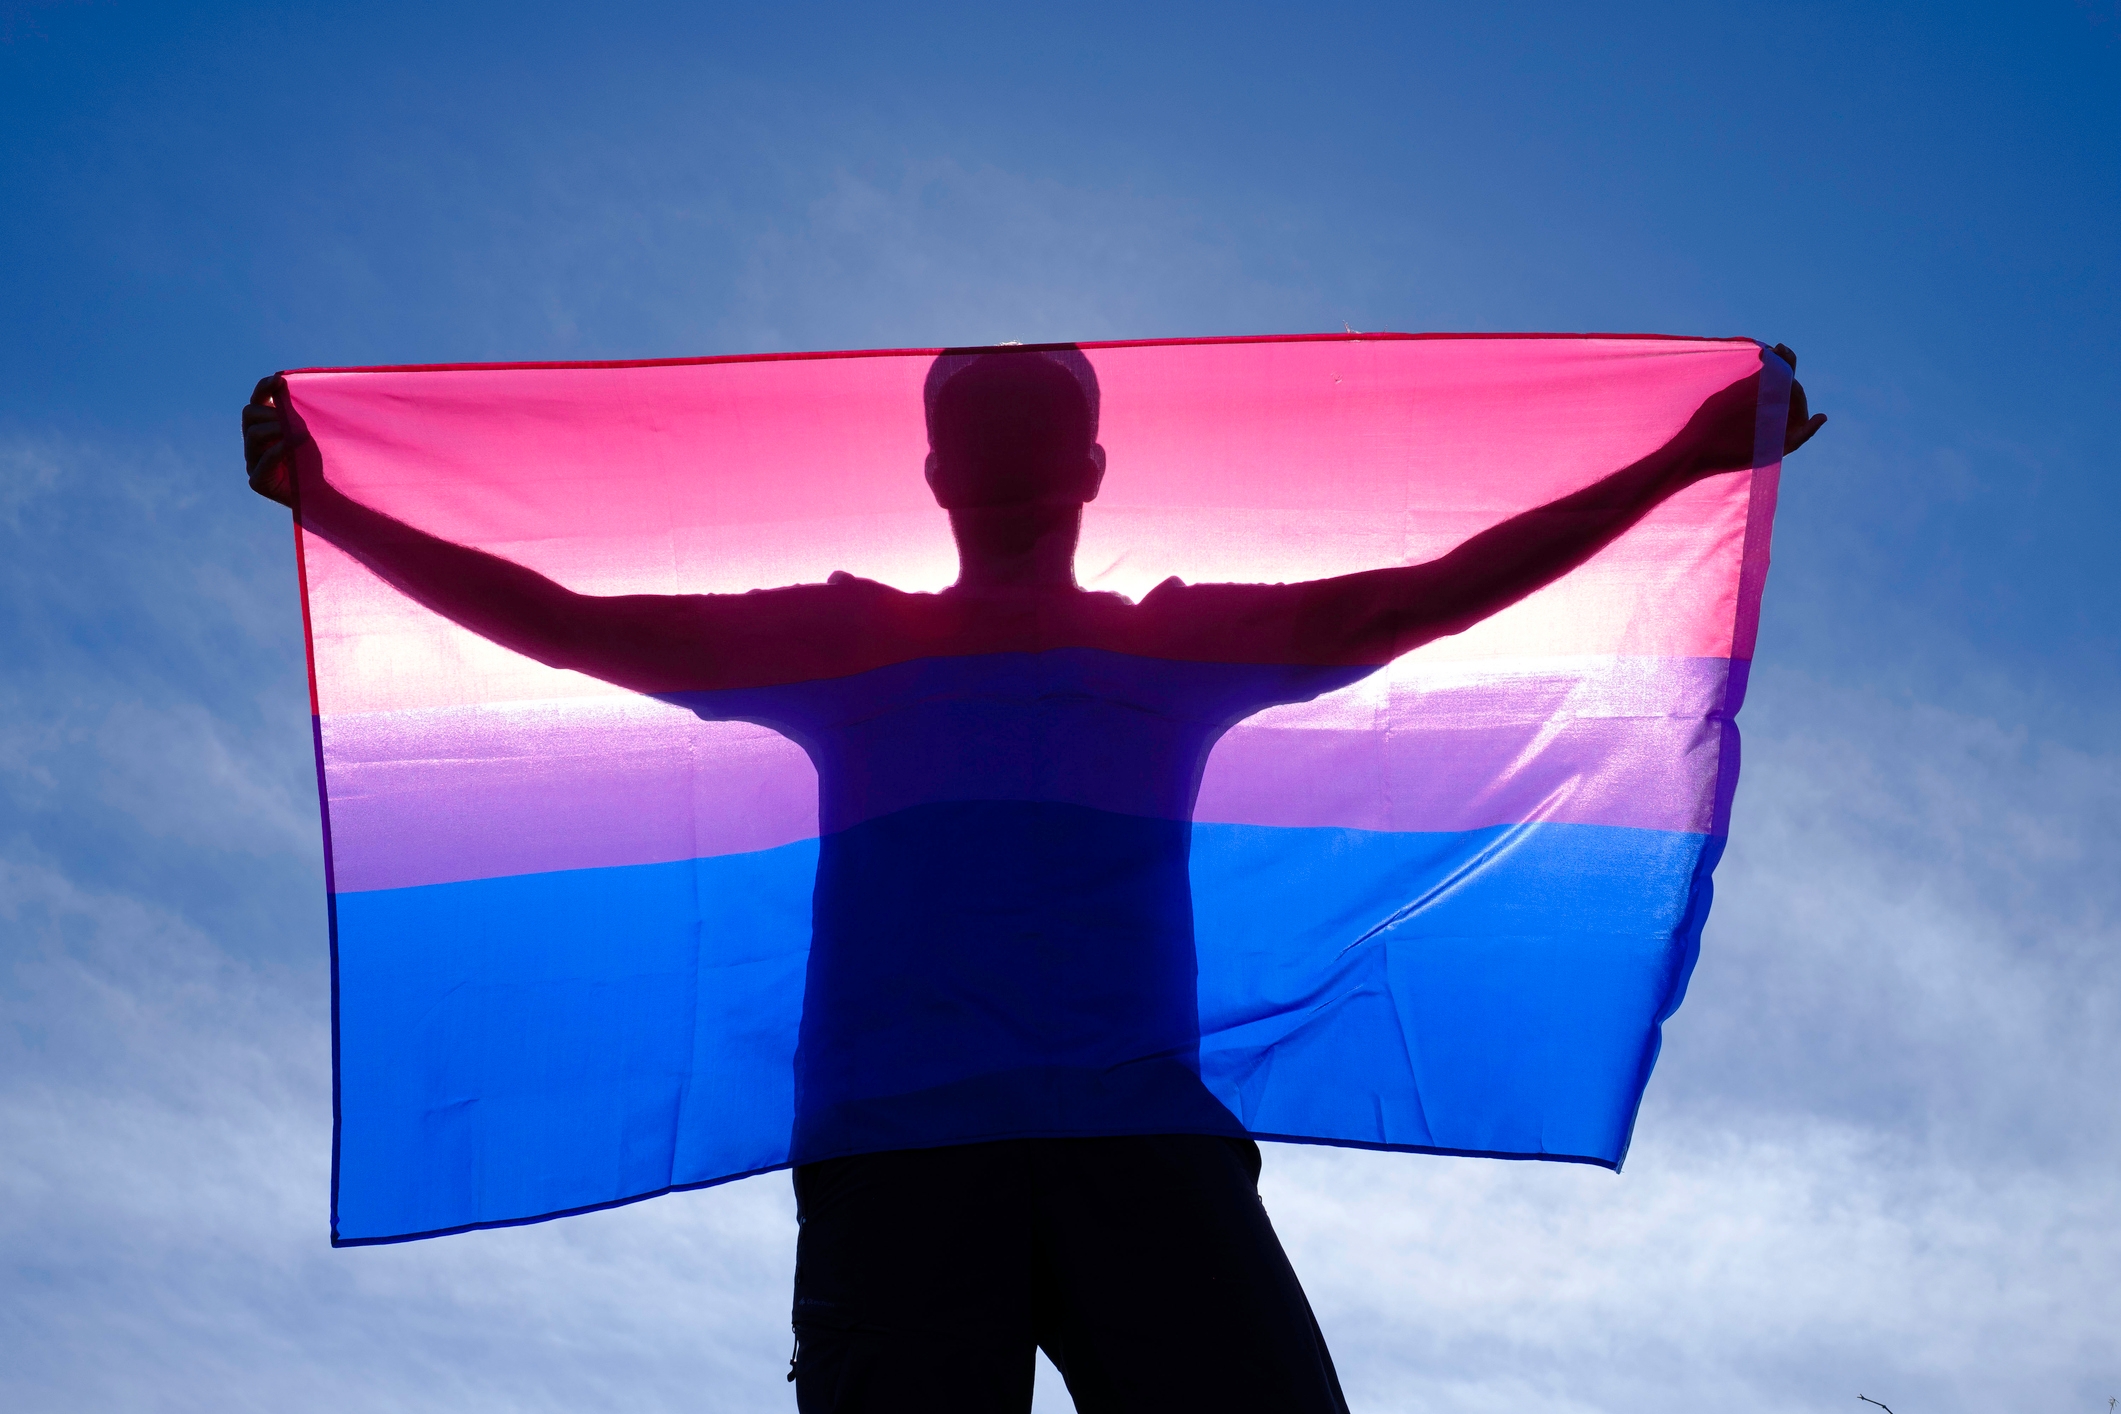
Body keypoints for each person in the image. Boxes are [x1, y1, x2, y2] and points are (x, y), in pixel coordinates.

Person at [244, 342, 1823, 1414]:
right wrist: (340, 501)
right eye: (985, 431)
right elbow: (578, 625)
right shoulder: (871, 639)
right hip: (925, 1159)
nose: (1003, 454)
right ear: (959, 469)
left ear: (1077, 463)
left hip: (1095, 1146)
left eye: (1024, 428)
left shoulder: (1145, 643)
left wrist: (1680, 463)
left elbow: (1434, 589)